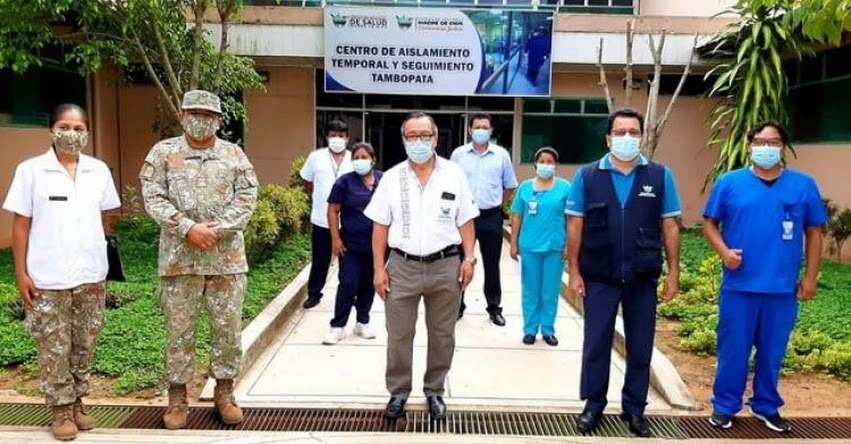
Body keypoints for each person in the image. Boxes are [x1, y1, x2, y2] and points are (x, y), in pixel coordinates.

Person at [140, 90, 258, 430]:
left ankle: (224, 393)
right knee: (179, 332)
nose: (201, 120)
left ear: (219, 120)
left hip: (226, 262)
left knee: (227, 331)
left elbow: (248, 197)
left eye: (208, 115)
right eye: (194, 113)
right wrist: (188, 227)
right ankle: (177, 398)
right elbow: (153, 196)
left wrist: (216, 230)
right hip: (180, 263)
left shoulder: (235, 155)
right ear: (181, 116)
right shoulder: (163, 154)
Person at [2, 104, 121, 441]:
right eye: (64, 126)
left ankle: (78, 404)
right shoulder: (31, 171)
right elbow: (20, 226)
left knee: (84, 344)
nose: (72, 134)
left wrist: (103, 261)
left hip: (90, 276)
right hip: (47, 278)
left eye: (79, 127)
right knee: (54, 347)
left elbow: (103, 219)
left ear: (87, 132)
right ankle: (60, 411)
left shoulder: (98, 171)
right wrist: (21, 274)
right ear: (51, 131)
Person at [703, 121, 826, 433]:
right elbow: (709, 224)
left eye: (773, 142)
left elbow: (814, 233)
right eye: (760, 141)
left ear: (783, 147)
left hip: (782, 288)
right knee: (733, 349)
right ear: (749, 145)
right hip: (740, 285)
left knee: (773, 353)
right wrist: (724, 253)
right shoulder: (730, 183)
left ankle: (766, 406)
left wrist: (810, 278)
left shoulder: (803, 185)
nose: (766, 147)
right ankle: (724, 406)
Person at [566, 108, 681, 438]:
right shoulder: (587, 176)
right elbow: (575, 224)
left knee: (641, 346)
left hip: (642, 275)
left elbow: (670, 225)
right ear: (608, 138)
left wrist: (673, 273)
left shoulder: (660, 176)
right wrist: (574, 271)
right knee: (596, 343)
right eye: (620, 132)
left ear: (642, 137)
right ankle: (593, 405)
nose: (627, 138)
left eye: (633, 132)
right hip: (598, 275)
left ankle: (634, 409)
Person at [364, 111, 478, 421]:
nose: (418, 142)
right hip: (402, 267)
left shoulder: (454, 173)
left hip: (446, 266)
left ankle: (435, 390)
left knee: (442, 335)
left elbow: (466, 219)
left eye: (424, 136)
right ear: (403, 141)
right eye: (412, 136)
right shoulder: (391, 177)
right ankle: (398, 392)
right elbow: (380, 227)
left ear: (435, 138)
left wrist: (469, 258)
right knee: (399, 335)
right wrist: (378, 267)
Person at [450, 113, 518, 325]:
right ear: (470, 130)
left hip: (490, 216)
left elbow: (509, 185)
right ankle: (457, 306)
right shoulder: (459, 154)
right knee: (459, 262)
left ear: (491, 130)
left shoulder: (501, 155)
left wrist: (497, 203)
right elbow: (449, 184)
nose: (481, 130)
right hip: (463, 218)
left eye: (485, 127)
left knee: (492, 264)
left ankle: (494, 307)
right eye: (477, 126)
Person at [323, 142, 383, 345]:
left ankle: (362, 321)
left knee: (369, 284)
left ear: (373, 160)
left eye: (364, 157)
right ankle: (337, 325)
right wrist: (335, 238)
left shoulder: (383, 180)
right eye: (356, 157)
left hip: (377, 246)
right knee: (348, 283)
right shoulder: (344, 182)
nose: (360, 161)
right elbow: (333, 210)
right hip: (351, 245)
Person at [509, 147, 570, 346]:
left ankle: (548, 329)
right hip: (529, 247)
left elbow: (572, 219)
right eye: (542, 161)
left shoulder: (564, 188)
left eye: (549, 161)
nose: (545, 164)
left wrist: (569, 245)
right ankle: (530, 329)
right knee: (530, 290)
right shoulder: (525, 188)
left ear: (556, 165)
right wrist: (513, 243)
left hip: (555, 247)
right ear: (535, 164)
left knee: (550, 291)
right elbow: (517, 216)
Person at [300, 120, 354, 310]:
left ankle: (350, 294)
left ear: (347, 138)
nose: (337, 139)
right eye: (333, 135)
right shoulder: (316, 157)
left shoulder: (353, 158)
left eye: (341, 136)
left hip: (348, 220)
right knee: (320, 259)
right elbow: (307, 182)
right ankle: (314, 294)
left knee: (349, 261)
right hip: (322, 219)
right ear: (327, 137)